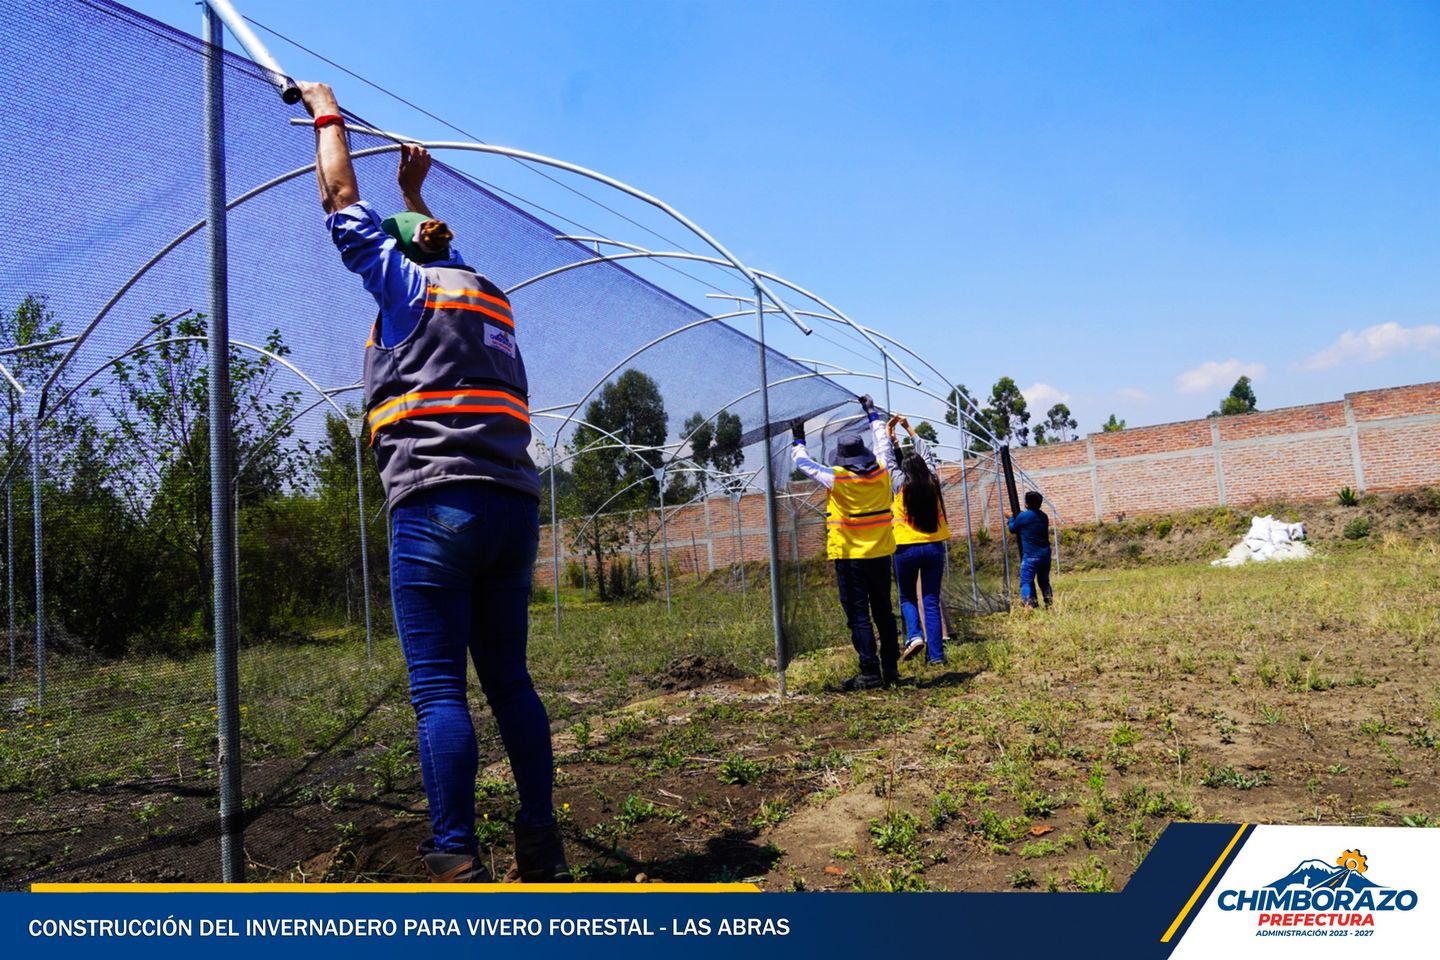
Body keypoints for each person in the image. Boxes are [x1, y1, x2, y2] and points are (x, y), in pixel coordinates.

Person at [297, 81, 569, 884]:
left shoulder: (406, 289)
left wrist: (325, 113)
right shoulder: (489, 297)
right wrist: (415, 196)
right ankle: (541, 843)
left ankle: (455, 856)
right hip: (512, 508)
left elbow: (341, 198)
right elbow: (437, 244)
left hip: (437, 506)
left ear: (402, 252)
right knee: (510, 681)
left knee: (439, 695)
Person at [790, 395, 900, 690]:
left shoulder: (836, 478)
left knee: (858, 614)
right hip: (880, 554)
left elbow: (802, 463)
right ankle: (890, 667)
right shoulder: (883, 470)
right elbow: (884, 443)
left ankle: (869, 671)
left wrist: (798, 437)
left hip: (851, 558)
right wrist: (871, 412)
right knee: (883, 612)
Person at [880, 415, 949, 664]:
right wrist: (909, 429)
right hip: (933, 547)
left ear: (904, 470)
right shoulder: (932, 481)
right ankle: (937, 656)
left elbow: (888, 462)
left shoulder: (899, 484)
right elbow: (926, 453)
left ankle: (914, 636)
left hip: (905, 548)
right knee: (930, 599)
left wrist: (889, 434)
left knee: (907, 596)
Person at [1007, 490, 1054, 609]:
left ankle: (1028, 605)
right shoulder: (1044, 516)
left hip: (1031, 556)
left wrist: (1011, 518)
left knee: (1026, 582)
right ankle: (1049, 605)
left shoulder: (1022, 516)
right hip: (1045, 554)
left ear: (1026, 504)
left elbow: (1012, 529)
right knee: (1044, 581)